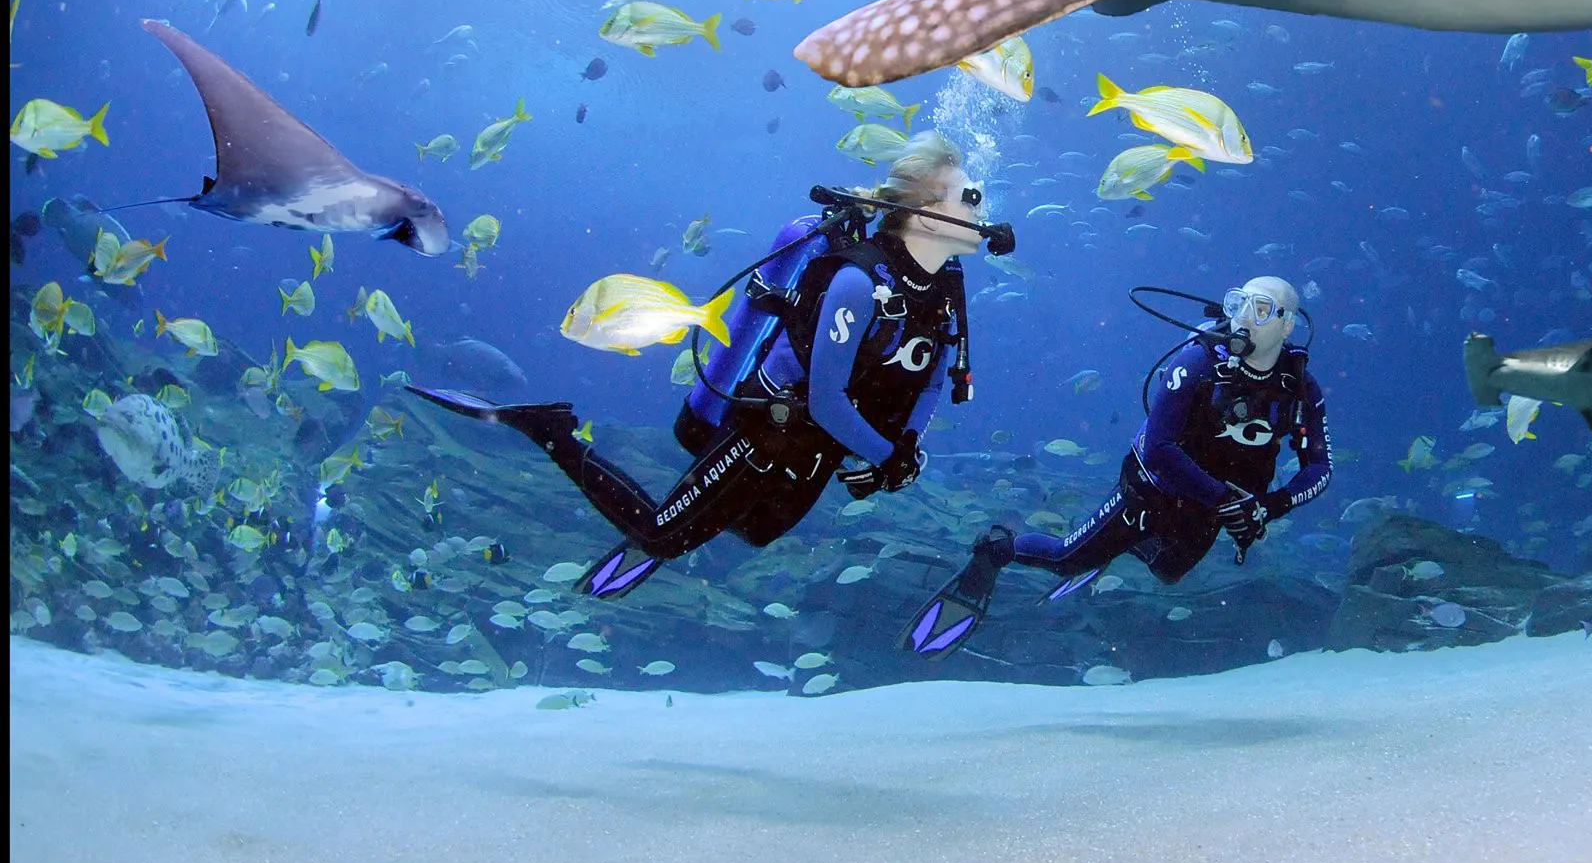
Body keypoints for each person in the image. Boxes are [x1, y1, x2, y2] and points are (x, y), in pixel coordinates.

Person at [410, 132, 993, 599]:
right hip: (769, 432)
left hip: (821, 448)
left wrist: (905, 448)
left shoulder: (942, 289)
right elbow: (826, 399)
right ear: (923, 214)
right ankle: (554, 433)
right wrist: (887, 456)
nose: (981, 205)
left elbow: (933, 375)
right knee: (662, 536)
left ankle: (696, 511)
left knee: (758, 532)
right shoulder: (857, 283)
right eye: (967, 195)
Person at [905, 274, 1331, 658]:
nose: (1245, 318)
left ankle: (1125, 544)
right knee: (1066, 559)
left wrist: (1268, 506)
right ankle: (995, 548)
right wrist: (1226, 501)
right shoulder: (1198, 362)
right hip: (1150, 490)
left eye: (1261, 309)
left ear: (1287, 325)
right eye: (1239, 303)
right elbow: (1161, 448)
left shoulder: (1299, 387)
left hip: (1211, 505)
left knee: (1168, 572)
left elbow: (1319, 468)